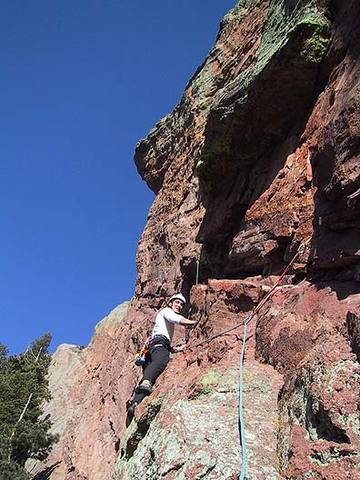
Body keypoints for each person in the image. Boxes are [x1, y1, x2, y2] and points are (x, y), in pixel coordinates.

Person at [126, 293, 196, 424]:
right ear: (170, 303)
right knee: (161, 361)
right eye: (177, 303)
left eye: (181, 304)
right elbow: (177, 319)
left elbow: (164, 337)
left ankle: (135, 403)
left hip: (153, 346)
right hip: (158, 343)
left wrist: (175, 349)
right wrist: (193, 322)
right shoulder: (167, 311)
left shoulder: (164, 317)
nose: (179, 306)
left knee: (149, 372)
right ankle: (146, 382)